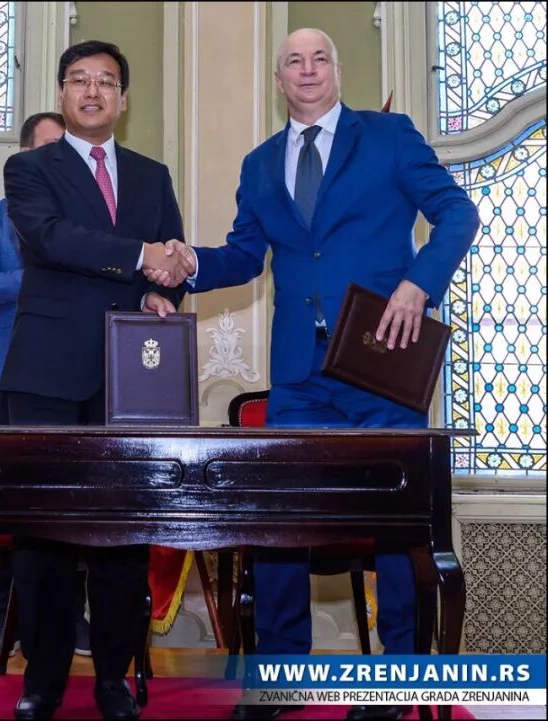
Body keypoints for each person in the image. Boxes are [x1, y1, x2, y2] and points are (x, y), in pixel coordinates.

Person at [148, 29, 478, 721]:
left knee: (395, 526)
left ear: (336, 70)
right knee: (280, 524)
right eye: (293, 61)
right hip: (299, 373)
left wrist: (419, 284)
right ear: (279, 80)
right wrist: (191, 264)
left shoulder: (389, 137)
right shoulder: (261, 163)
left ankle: (398, 679)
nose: (307, 70)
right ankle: (281, 678)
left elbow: (457, 212)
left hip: (383, 359)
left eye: (319, 58)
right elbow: (244, 254)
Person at [1, 40, 193, 721]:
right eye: (79, 80)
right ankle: (43, 679)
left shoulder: (151, 175)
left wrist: (165, 289)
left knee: (123, 535)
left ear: (123, 99)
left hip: (131, 377)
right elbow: (51, 238)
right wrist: (142, 258)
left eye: (106, 82)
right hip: (46, 373)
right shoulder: (30, 168)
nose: (92, 91)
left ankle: (114, 676)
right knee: (43, 537)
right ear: (61, 93)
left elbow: (171, 260)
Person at [0, 111, 94, 659]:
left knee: (77, 508)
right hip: (10, 375)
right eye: (47, 151)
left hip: (78, 377)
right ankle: (9, 619)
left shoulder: (89, 223)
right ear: (23, 160)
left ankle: (72, 621)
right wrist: (46, 275)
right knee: (18, 505)